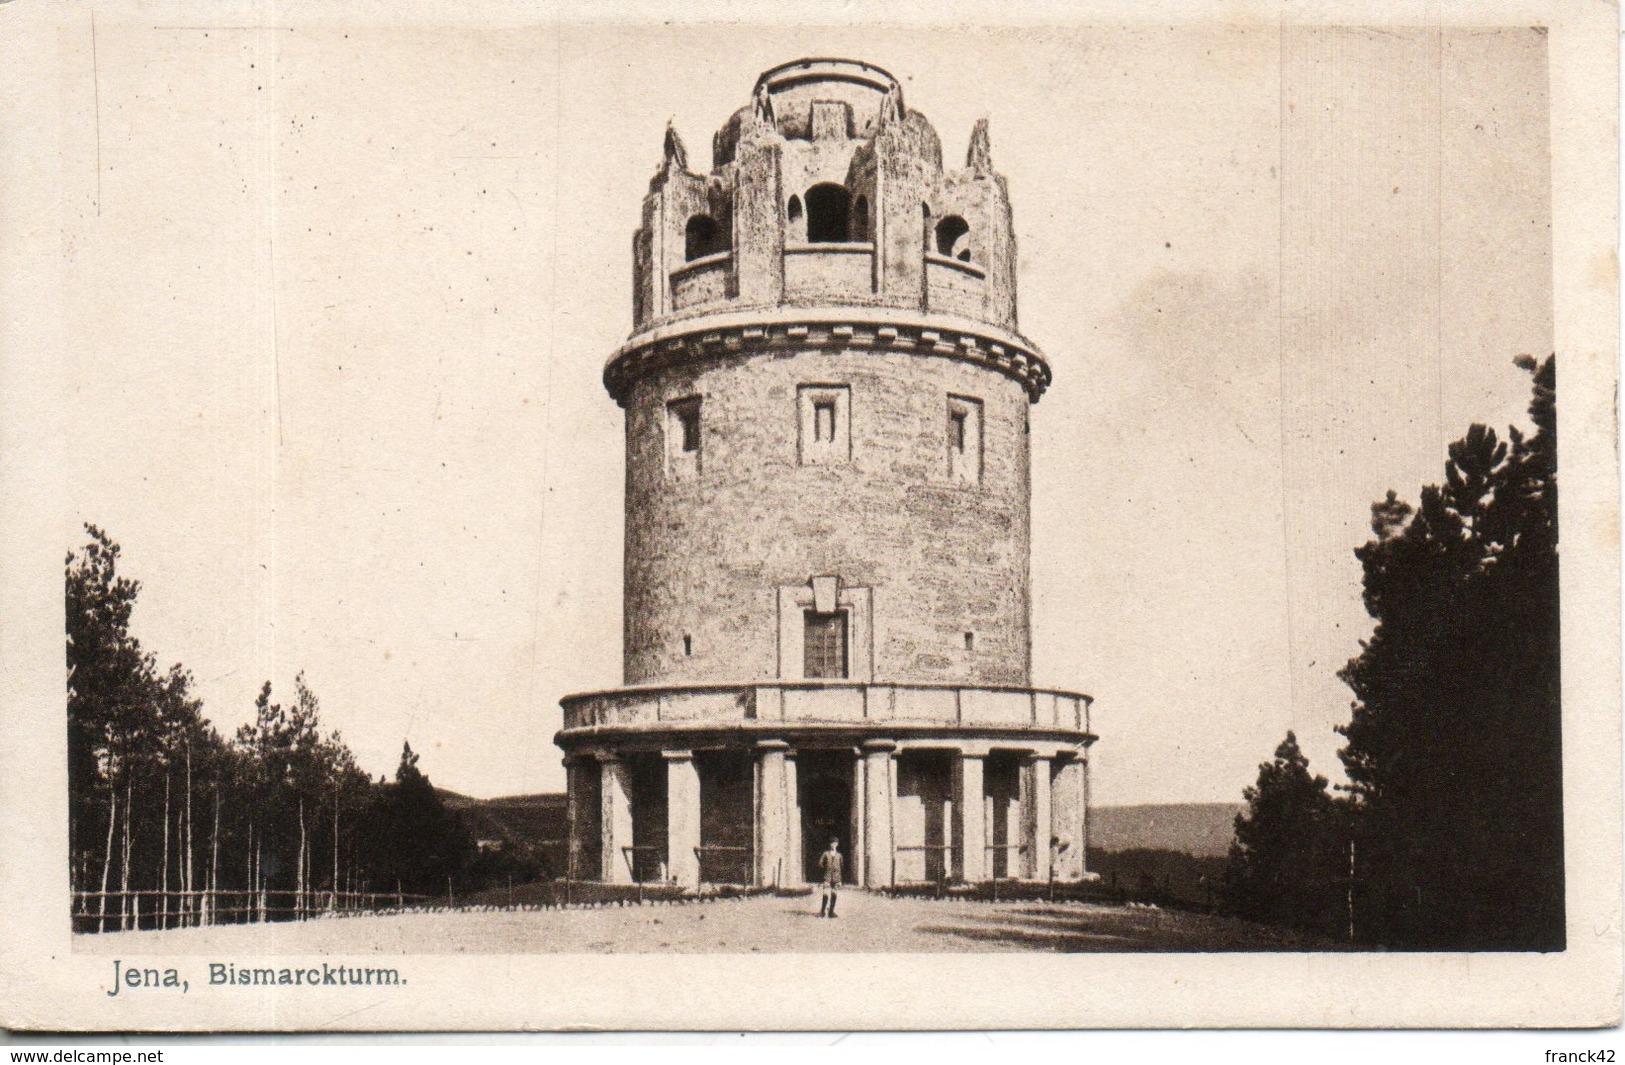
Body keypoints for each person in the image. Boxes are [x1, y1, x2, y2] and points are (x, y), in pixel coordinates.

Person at [817, 838, 843, 918]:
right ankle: (822, 911)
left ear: (837, 844)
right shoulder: (825, 854)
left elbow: (841, 866)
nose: (833, 845)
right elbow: (820, 864)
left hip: (836, 878)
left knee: (834, 893)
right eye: (832, 843)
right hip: (827, 877)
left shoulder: (839, 855)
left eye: (835, 843)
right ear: (830, 844)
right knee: (825, 893)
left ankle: (831, 912)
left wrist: (840, 880)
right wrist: (824, 871)